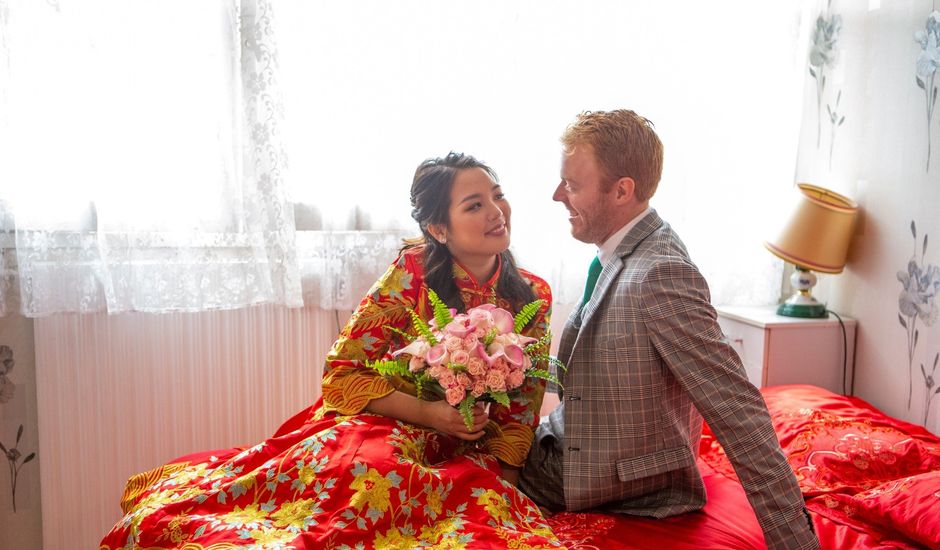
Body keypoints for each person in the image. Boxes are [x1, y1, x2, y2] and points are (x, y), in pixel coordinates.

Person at [100, 152, 562, 549]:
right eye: (475, 205)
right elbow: (343, 373)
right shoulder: (412, 272)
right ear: (439, 227)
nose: (496, 212)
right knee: (367, 476)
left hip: (467, 444)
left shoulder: (534, 295)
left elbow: (521, 409)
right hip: (392, 424)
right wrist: (430, 414)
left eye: (498, 196)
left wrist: (505, 492)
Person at [518, 110, 820, 549]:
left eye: (572, 185)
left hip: (612, 482)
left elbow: (737, 410)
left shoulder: (660, 274)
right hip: (568, 443)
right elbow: (590, 372)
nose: (556, 195)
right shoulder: (618, 250)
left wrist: (796, 543)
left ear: (623, 190)